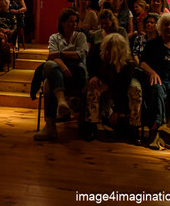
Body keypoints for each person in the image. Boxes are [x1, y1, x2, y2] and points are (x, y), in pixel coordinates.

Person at [34, 8, 88, 141]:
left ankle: (50, 126)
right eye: (70, 21)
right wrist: (62, 64)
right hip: (60, 72)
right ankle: (61, 102)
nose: (74, 24)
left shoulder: (80, 36)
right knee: (49, 75)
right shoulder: (54, 37)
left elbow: (80, 55)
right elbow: (52, 57)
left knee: (48, 80)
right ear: (63, 23)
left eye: (76, 22)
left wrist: (60, 55)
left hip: (76, 74)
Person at [84, 33, 141, 144]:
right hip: (104, 79)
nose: (107, 53)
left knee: (135, 90)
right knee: (93, 87)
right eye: (106, 49)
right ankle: (91, 125)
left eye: (110, 51)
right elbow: (90, 65)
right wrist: (93, 76)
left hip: (122, 83)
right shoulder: (98, 52)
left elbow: (122, 88)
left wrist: (117, 111)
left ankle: (134, 127)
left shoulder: (128, 64)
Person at [140, 13, 170, 149]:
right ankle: (155, 129)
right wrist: (152, 72)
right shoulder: (153, 44)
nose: (169, 27)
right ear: (160, 27)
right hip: (158, 79)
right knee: (157, 89)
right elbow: (142, 63)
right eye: (166, 25)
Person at [0, 0, 16, 71]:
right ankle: (2, 64)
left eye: (1, 2)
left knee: (2, 40)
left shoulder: (11, 15)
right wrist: (0, 29)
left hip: (7, 34)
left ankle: (0, 64)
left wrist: (8, 31)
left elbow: (15, 27)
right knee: (1, 39)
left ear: (6, 3)